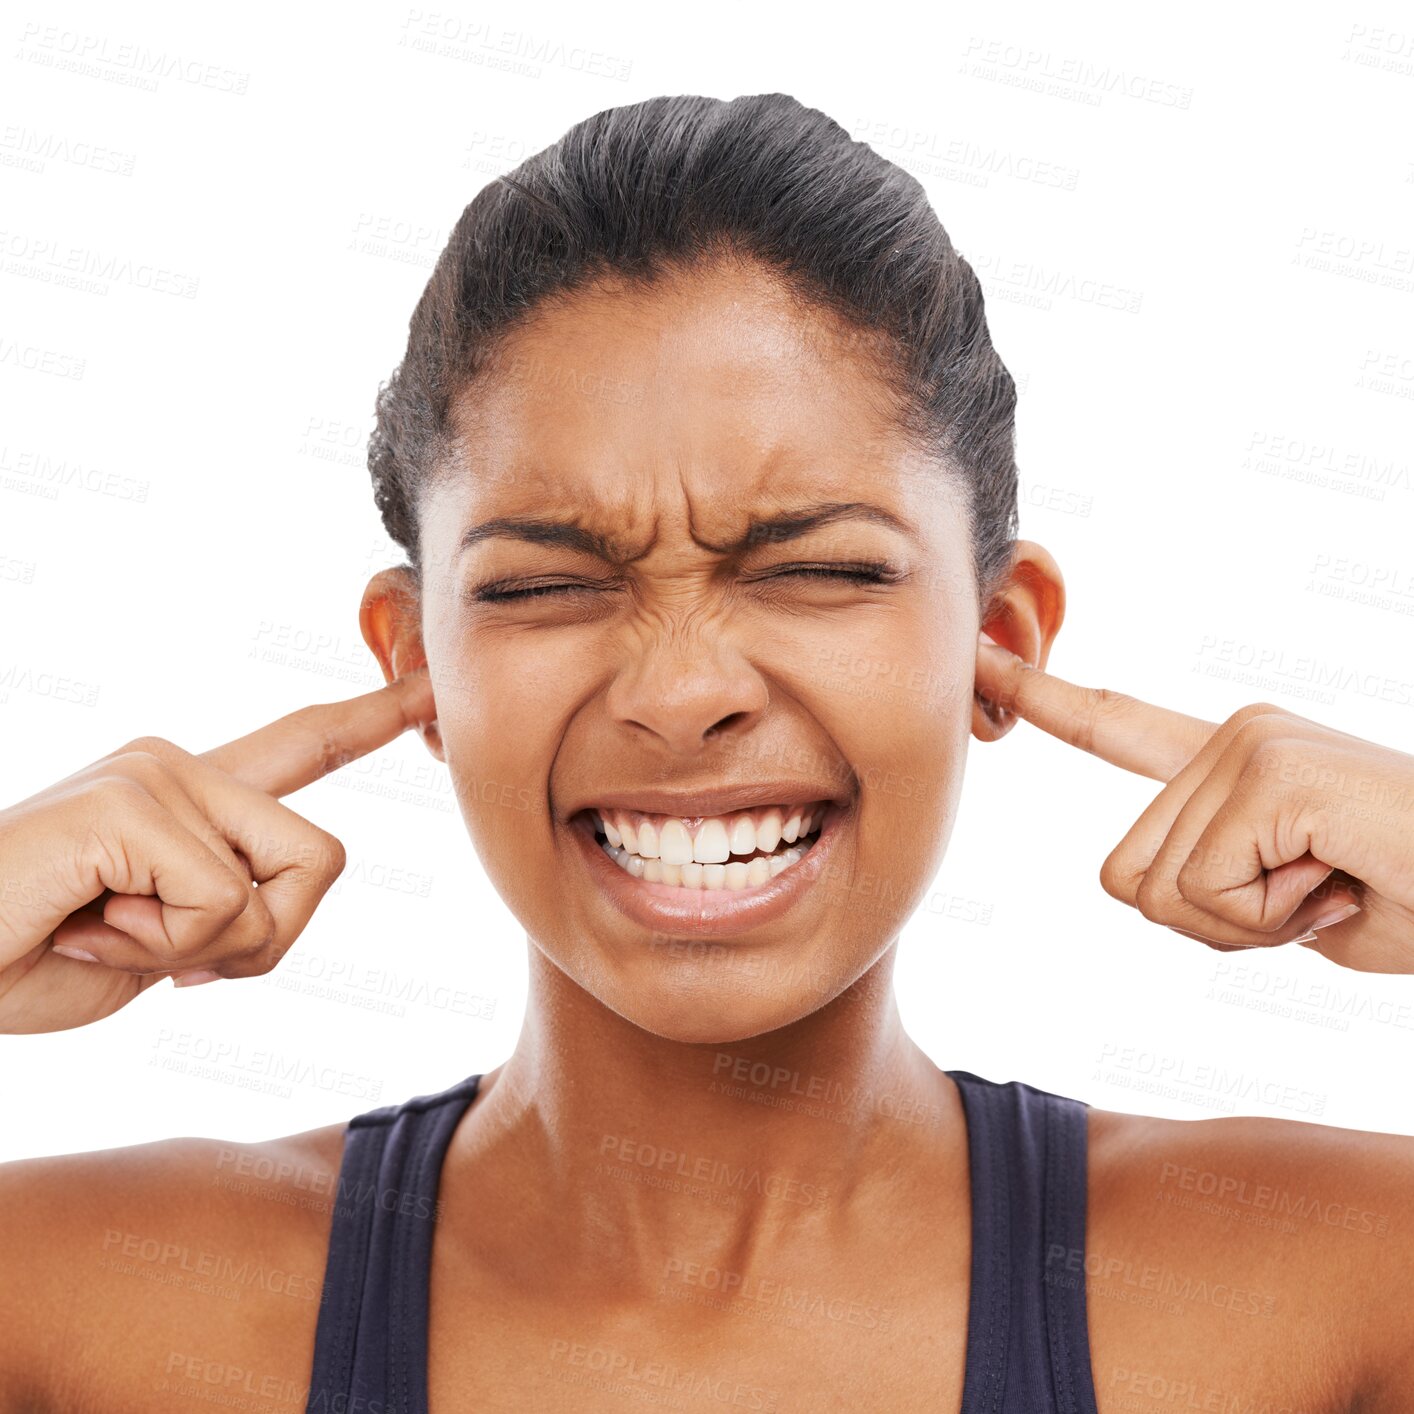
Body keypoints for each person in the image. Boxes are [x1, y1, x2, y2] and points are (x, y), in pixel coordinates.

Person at [2, 92, 1412, 1412]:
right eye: (542, 586)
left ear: (1000, 637)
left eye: (815, 569)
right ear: (416, 663)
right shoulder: (83, 1304)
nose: (679, 694)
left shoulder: (1328, 1289)